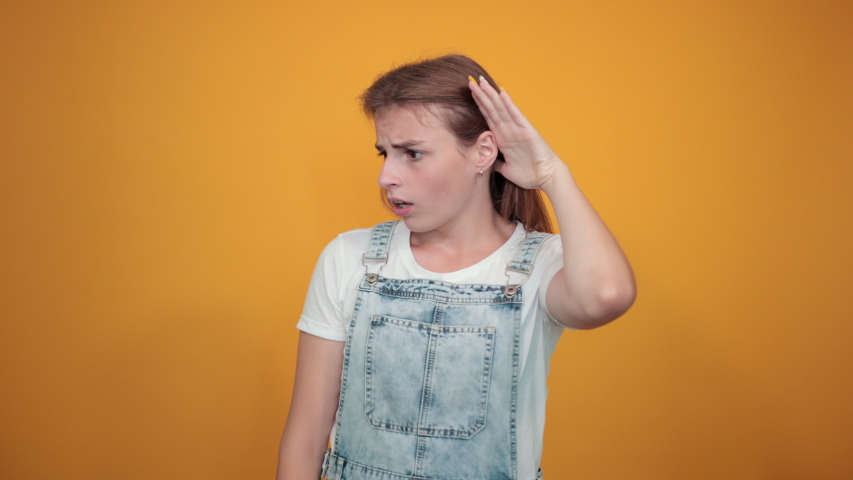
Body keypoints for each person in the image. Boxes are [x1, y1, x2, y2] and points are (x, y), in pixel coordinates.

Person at [276, 54, 636, 480]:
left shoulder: (541, 265)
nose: (386, 177)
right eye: (385, 153)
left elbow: (607, 296)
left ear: (483, 152)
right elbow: (305, 441)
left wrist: (551, 173)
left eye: (412, 153)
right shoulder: (349, 257)